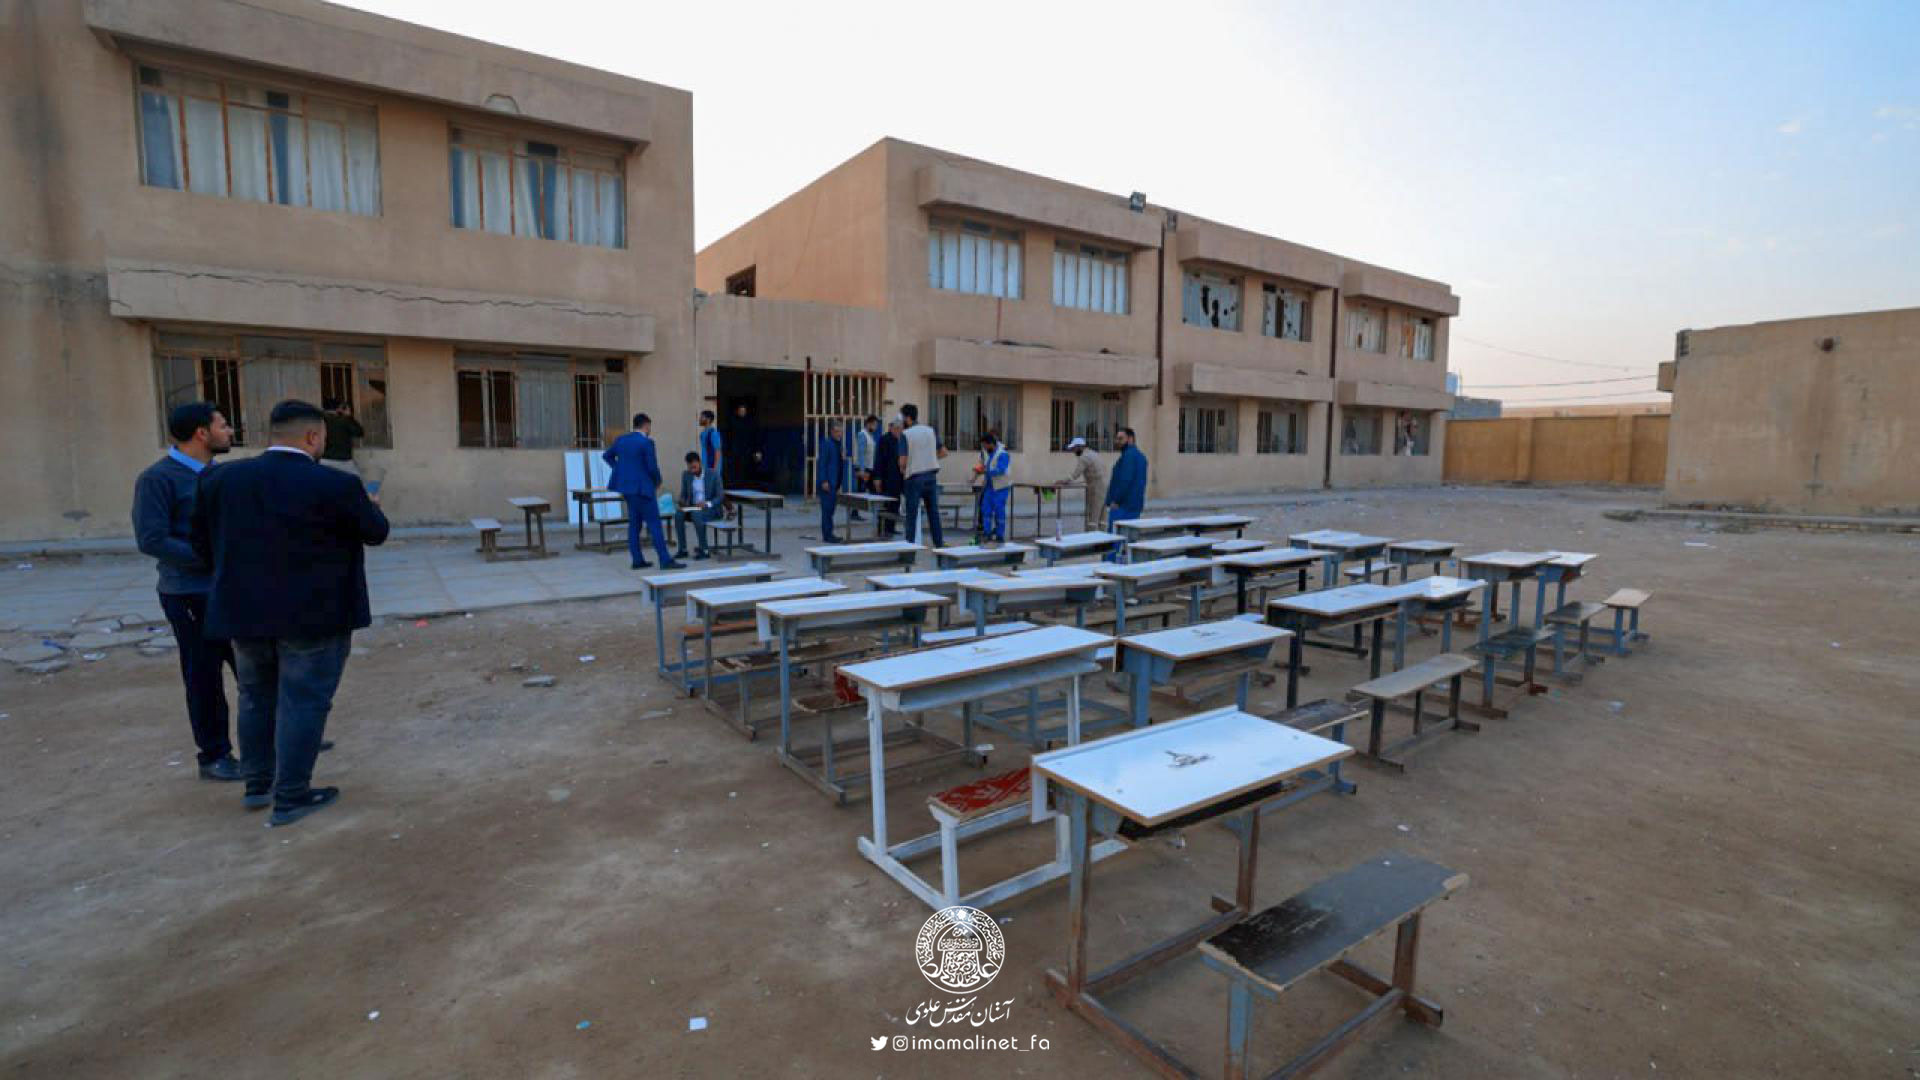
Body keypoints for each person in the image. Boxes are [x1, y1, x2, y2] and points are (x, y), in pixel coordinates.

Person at [190, 399, 388, 827]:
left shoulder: (221, 479)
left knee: (255, 696)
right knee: (303, 701)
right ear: (313, 437)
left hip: (244, 613)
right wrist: (371, 503)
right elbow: (376, 532)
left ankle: (257, 783)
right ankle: (292, 795)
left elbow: (201, 545)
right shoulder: (335, 485)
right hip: (315, 616)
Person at [133, 401, 242, 781]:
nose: (230, 431)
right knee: (204, 676)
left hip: (229, 589)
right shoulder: (158, 479)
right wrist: (207, 558)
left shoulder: (220, 475)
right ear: (201, 433)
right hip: (190, 593)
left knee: (255, 665)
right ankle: (214, 755)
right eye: (223, 425)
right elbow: (152, 538)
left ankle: (281, 735)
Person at [604, 413, 682, 571]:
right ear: (646, 425)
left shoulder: (621, 440)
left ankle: (637, 560)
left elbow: (607, 456)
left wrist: (620, 470)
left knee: (634, 525)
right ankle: (665, 559)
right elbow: (652, 466)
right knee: (654, 524)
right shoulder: (646, 442)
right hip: (643, 489)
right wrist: (658, 481)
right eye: (649, 426)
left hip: (627, 489)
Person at [898, 403, 946, 547]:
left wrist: (902, 469)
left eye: (902, 418)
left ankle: (909, 549)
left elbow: (902, 461)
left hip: (914, 478)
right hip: (931, 477)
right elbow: (944, 452)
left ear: (908, 418)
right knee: (933, 514)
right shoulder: (930, 431)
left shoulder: (906, 434)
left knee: (911, 516)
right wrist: (928, 459)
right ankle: (939, 545)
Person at [1105, 426, 1148, 553]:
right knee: (1129, 543)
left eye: (1120, 438)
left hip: (1122, 506)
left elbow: (1125, 480)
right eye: (1117, 438)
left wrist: (1115, 500)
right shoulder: (1141, 457)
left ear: (1130, 439)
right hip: (1135, 505)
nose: (1117, 441)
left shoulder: (1128, 456)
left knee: (1114, 543)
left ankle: (1111, 564)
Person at [675, 451, 723, 560]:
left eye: (694, 467)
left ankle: (704, 550)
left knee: (696, 514)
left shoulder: (713, 474)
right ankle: (682, 549)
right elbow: (683, 494)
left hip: (710, 508)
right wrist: (682, 501)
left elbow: (720, 496)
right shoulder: (686, 475)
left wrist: (707, 503)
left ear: (700, 463)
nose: (692, 470)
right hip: (693, 507)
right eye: (690, 468)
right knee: (678, 514)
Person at [1058, 436, 1108, 532]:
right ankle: (1104, 537)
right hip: (1104, 486)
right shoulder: (1094, 454)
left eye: (1074, 449)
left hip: (1096, 488)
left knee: (1093, 514)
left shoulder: (1084, 457)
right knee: (1103, 515)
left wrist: (1063, 481)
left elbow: (1075, 474)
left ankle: (1091, 536)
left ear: (1079, 447)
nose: (1073, 451)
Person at [973, 431, 1012, 543]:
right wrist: (978, 473)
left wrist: (985, 471)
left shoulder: (1003, 454)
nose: (984, 448)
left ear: (990, 443)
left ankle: (1000, 535)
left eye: (984, 445)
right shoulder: (989, 454)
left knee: (999, 511)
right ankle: (987, 533)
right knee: (986, 510)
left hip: (1001, 488)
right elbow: (985, 466)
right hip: (989, 488)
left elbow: (1000, 470)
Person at [817, 418, 846, 544]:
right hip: (828, 483)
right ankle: (828, 535)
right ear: (832, 431)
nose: (840, 434)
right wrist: (824, 480)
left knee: (831, 509)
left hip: (835, 483)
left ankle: (829, 533)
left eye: (841, 432)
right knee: (827, 510)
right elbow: (822, 463)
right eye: (837, 431)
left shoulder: (838, 445)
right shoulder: (827, 444)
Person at [875, 416, 904, 537]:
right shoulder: (884, 439)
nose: (898, 431)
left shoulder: (901, 440)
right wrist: (877, 477)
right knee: (885, 505)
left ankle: (891, 528)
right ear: (891, 428)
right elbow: (879, 459)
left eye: (900, 429)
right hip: (886, 478)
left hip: (898, 479)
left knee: (895, 504)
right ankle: (882, 529)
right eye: (896, 428)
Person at [849, 415, 877, 521]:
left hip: (868, 468)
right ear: (868, 424)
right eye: (874, 425)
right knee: (863, 490)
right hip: (864, 468)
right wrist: (862, 470)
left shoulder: (869, 435)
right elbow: (861, 453)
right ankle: (855, 512)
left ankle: (856, 512)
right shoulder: (863, 434)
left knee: (863, 490)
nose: (875, 427)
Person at [698, 409, 724, 500]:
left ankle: (728, 507)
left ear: (708, 419)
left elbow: (717, 451)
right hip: (705, 467)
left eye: (702, 417)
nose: (700, 419)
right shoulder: (702, 434)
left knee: (716, 491)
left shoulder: (713, 434)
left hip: (712, 466)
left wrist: (715, 468)